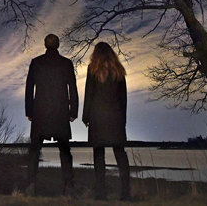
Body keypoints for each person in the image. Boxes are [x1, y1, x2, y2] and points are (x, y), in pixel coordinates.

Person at [25, 34, 79, 196]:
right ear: (58, 45)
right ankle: (68, 186)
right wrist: (73, 111)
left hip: (40, 112)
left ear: (45, 45)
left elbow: (29, 89)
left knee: (34, 150)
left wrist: (29, 111)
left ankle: (30, 186)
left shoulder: (36, 62)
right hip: (60, 112)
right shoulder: (66, 63)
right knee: (64, 151)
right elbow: (73, 89)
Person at [82, 42, 131, 201]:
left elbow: (89, 94)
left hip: (98, 117)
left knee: (98, 156)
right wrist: (123, 119)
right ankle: (125, 194)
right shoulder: (118, 70)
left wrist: (86, 116)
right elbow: (123, 98)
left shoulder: (92, 69)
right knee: (120, 155)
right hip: (115, 117)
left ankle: (100, 194)